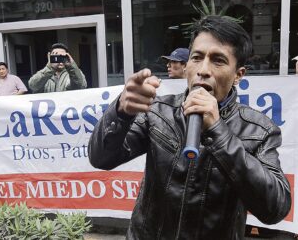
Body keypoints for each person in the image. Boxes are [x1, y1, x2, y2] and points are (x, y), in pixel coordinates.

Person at [88, 16, 291, 239]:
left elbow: (275, 208)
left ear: (238, 75)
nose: (203, 70)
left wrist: (219, 132)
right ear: (186, 68)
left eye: (218, 60)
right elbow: (101, 158)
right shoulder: (157, 111)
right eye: (196, 57)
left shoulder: (258, 130)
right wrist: (120, 112)